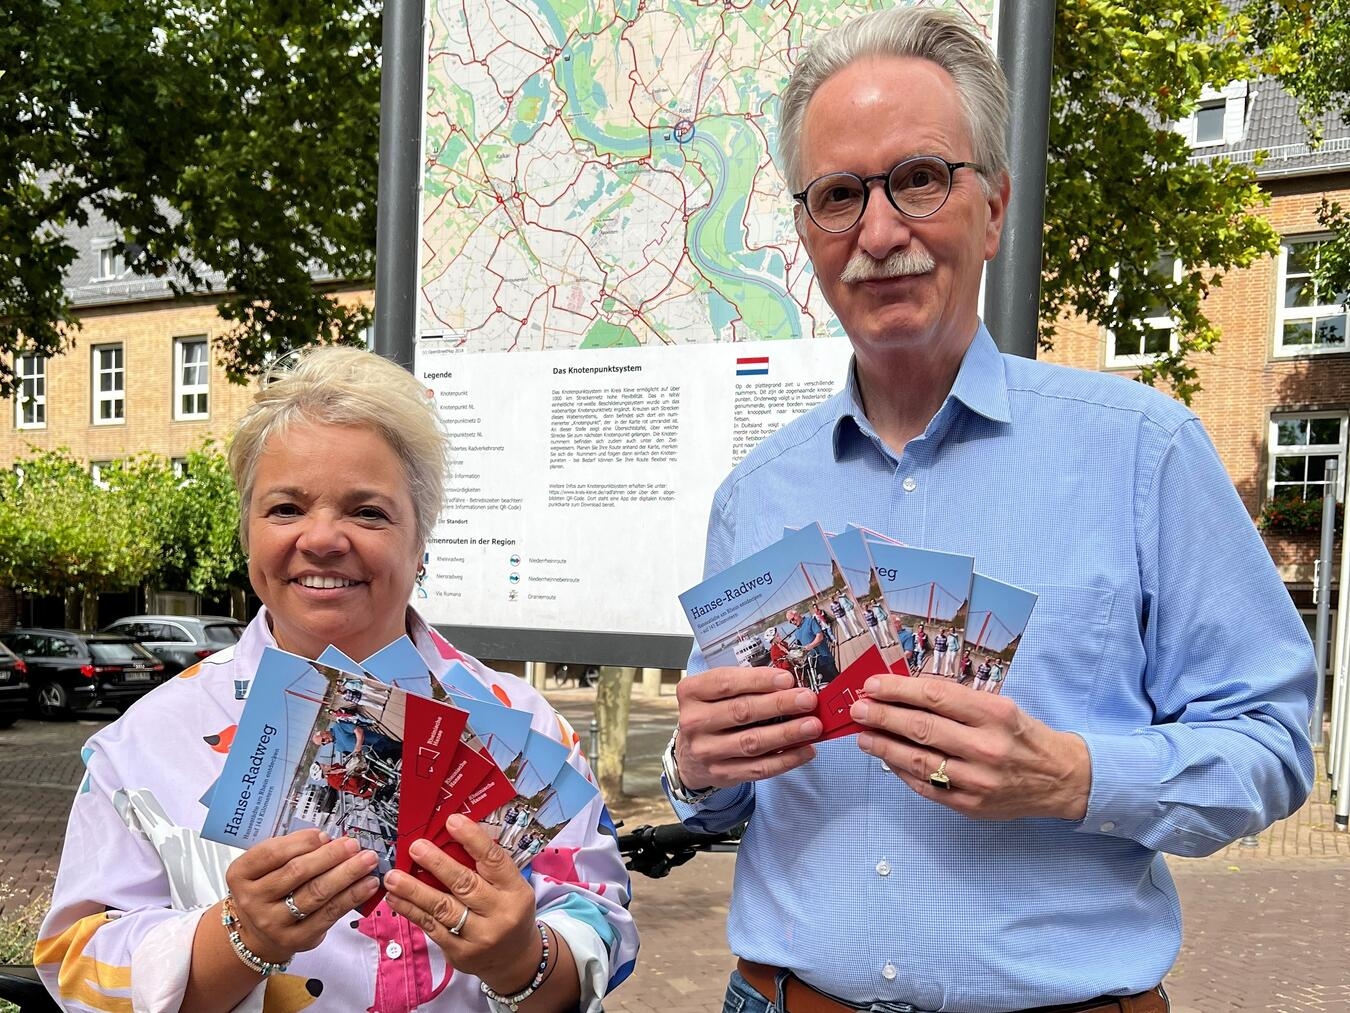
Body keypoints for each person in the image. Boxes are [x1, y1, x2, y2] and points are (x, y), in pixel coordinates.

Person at [661, 8, 1315, 1013]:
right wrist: (695, 768)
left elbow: (1271, 743)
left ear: (996, 207)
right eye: (839, 195)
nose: (880, 231)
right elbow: (732, 792)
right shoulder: (757, 496)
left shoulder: (1144, 453)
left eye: (919, 178)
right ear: (808, 232)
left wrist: (1075, 774)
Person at [37, 347, 637, 1013]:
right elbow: (77, 962)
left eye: (368, 511)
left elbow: (602, 923)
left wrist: (522, 959)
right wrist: (237, 937)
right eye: (286, 508)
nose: (321, 538)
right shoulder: (143, 745)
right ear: (247, 533)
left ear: (421, 539)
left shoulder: (528, 730)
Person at [786, 607, 839, 687]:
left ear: (797, 614)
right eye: (790, 622)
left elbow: (820, 636)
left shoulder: (810, 621)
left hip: (825, 658)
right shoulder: (796, 633)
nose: (792, 622)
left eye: (793, 619)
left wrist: (811, 646)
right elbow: (800, 647)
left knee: (838, 680)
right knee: (826, 685)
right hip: (815, 664)